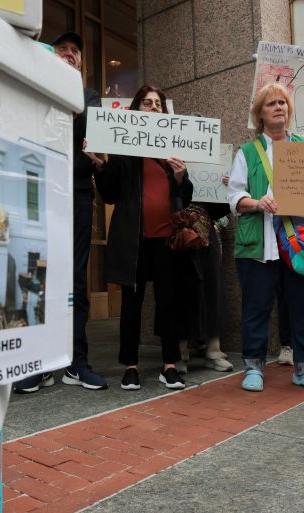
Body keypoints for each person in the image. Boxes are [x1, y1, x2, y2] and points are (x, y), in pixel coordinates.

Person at [14, 31, 108, 393]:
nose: (69, 54)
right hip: (39, 190)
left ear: (81, 63)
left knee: (75, 280)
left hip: (78, 194)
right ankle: (39, 362)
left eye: (75, 52)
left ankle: (75, 361)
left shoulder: (89, 98)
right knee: (39, 274)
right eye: (62, 50)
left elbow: (89, 130)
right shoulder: (33, 90)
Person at [227, 82, 304, 394]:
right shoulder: (247, 151)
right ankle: (254, 367)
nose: (278, 108)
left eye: (282, 103)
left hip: (299, 244)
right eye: (271, 103)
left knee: (303, 307)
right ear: (259, 113)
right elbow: (235, 197)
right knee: (256, 308)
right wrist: (258, 203)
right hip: (259, 246)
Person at [88, 85, 193, 390]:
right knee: (132, 306)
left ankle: (169, 365)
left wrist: (179, 177)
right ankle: (130, 366)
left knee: (168, 303)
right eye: (147, 103)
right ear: (135, 109)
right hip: (133, 242)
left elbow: (185, 197)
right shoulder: (124, 150)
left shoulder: (173, 149)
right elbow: (109, 195)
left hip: (167, 241)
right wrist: (100, 165)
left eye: (158, 104)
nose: (153, 108)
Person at [175, 201, 234, 373]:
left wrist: (225, 189)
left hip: (207, 228)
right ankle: (179, 351)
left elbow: (224, 208)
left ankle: (213, 351)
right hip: (176, 226)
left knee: (212, 287)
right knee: (180, 288)